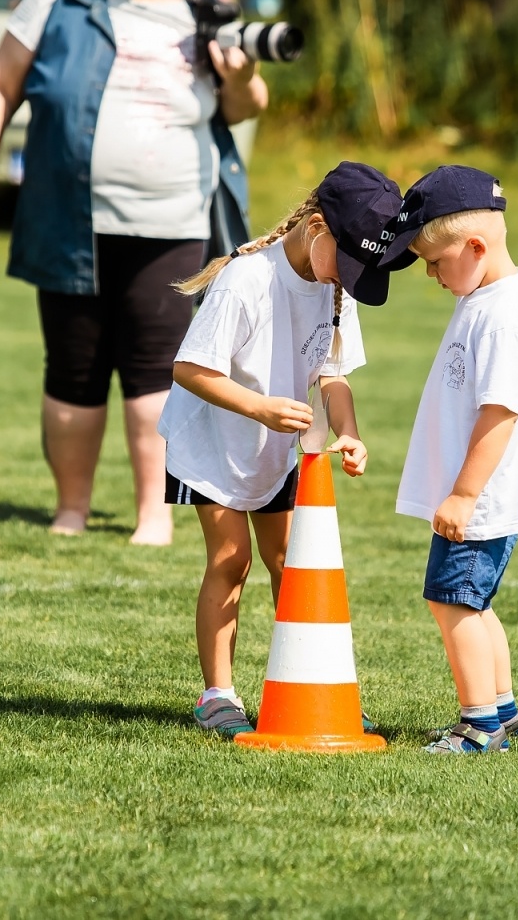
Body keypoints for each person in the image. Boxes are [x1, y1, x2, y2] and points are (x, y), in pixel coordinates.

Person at [0, 0, 268, 546]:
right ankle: (71, 508)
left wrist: (242, 78)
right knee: (74, 366)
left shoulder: (205, 7)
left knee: (158, 365)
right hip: (69, 217)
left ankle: (153, 513)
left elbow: (244, 106)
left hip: (176, 220)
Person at [158, 162, 403, 738]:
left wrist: (350, 431)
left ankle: (311, 687)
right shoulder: (248, 280)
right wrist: (261, 407)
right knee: (231, 561)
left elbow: (334, 373)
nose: (347, 279)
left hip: (274, 453)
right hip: (212, 445)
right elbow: (190, 369)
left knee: (293, 566)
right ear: (317, 227)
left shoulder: (337, 287)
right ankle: (217, 695)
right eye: (345, 265)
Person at [375, 166, 518, 754]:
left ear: (475, 247)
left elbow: (499, 414)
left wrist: (463, 494)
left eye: (434, 261)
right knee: (472, 603)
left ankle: (479, 724)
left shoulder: (502, 316)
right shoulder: (485, 294)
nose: (429, 274)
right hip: (483, 496)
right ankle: (503, 711)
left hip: (482, 497)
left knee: (451, 600)